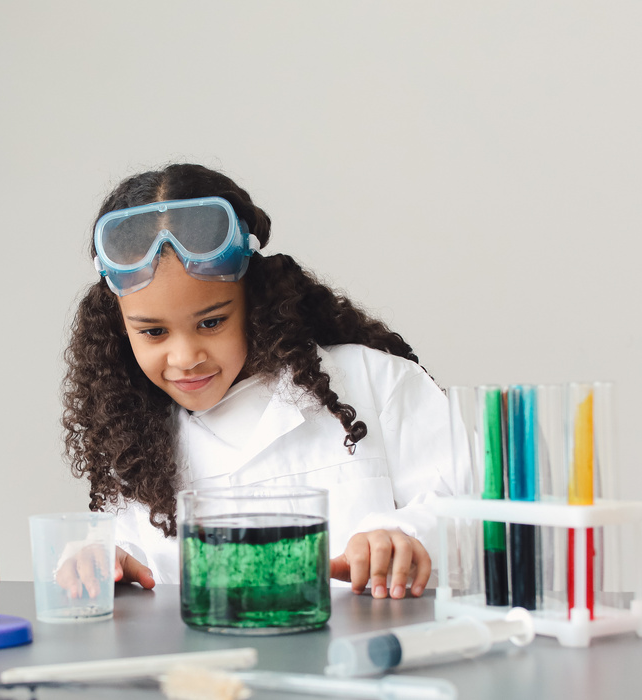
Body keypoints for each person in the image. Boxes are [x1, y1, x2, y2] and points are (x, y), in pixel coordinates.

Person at [62, 163, 459, 600]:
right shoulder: (135, 446)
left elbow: (474, 505)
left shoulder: (374, 382)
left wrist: (402, 534)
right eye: (154, 332)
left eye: (211, 322)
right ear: (120, 328)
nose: (186, 358)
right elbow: (136, 561)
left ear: (253, 298)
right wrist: (100, 558)